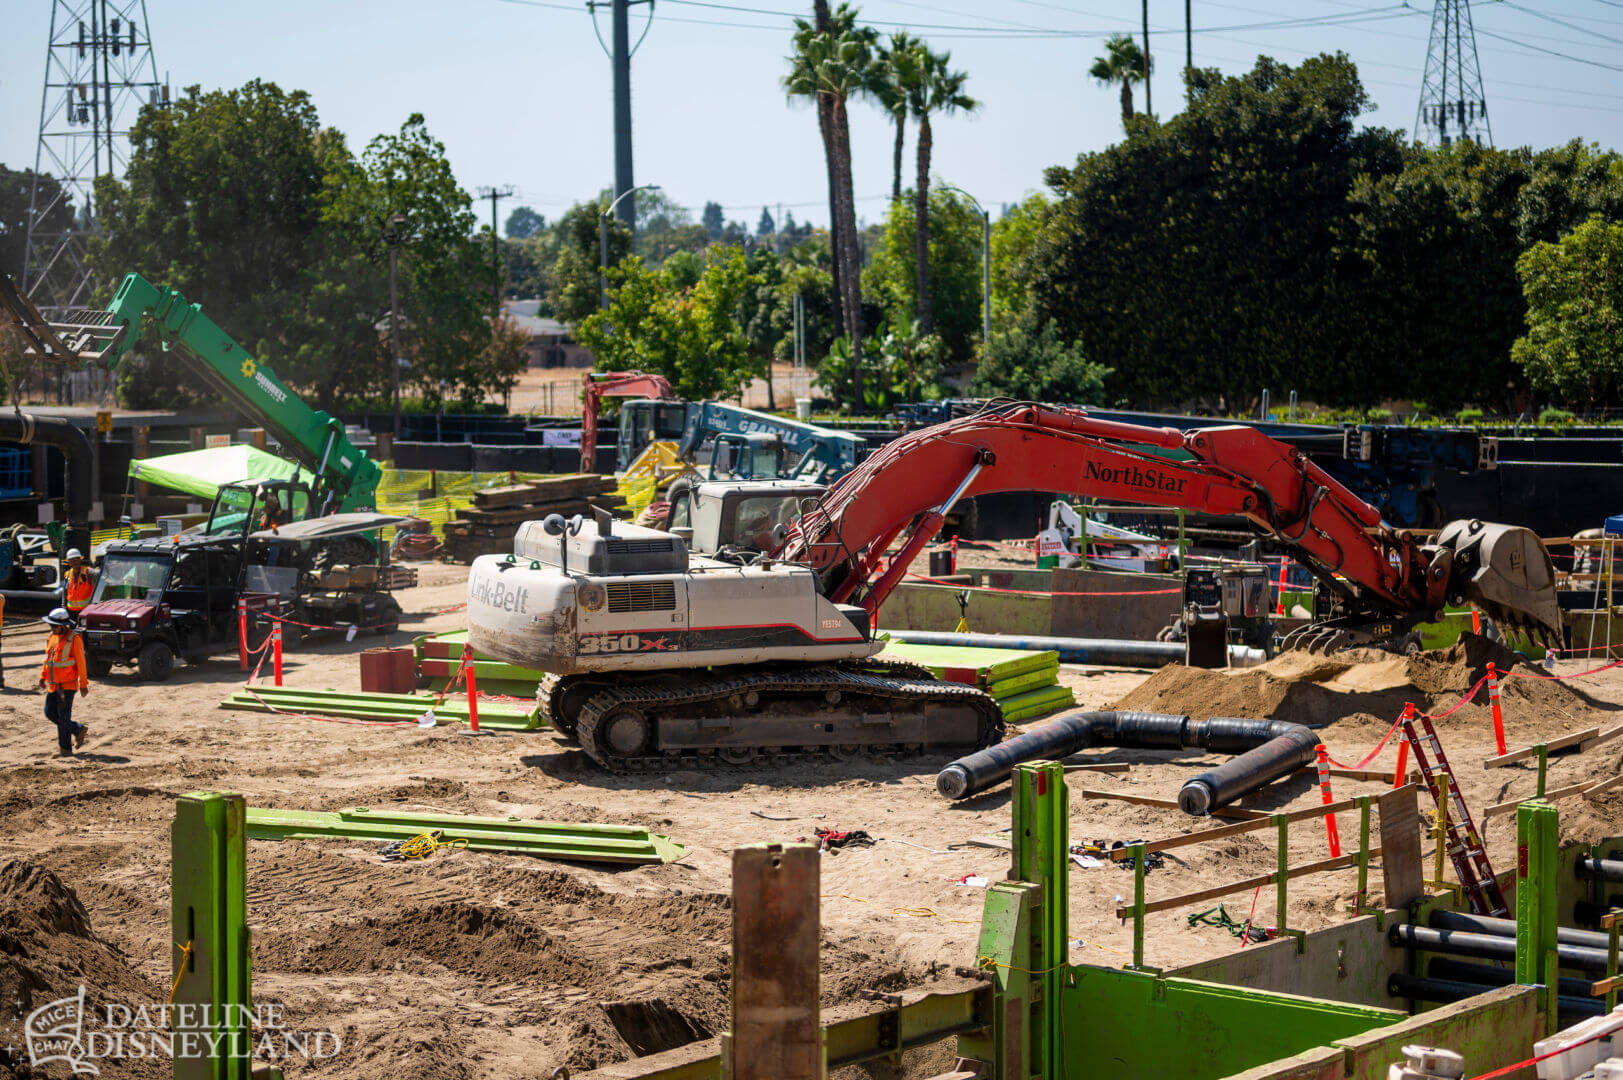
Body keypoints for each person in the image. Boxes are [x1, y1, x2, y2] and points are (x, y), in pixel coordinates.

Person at [38, 607, 88, 757]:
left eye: (54, 626)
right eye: (50, 625)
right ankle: (77, 729)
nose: (52, 628)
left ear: (63, 625)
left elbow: (81, 663)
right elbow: (48, 659)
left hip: (67, 686)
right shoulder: (52, 637)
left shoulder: (75, 639)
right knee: (49, 712)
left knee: (63, 716)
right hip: (54, 685)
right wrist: (43, 676)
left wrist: (83, 684)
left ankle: (65, 750)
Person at [62, 548, 94, 621]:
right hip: (71, 612)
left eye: (76, 559)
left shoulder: (88, 572)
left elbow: (100, 575)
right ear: (68, 562)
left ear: (80, 560)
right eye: (71, 560)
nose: (74, 562)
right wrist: (63, 607)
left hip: (85, 611)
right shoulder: (67, 574)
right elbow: (65, 592)